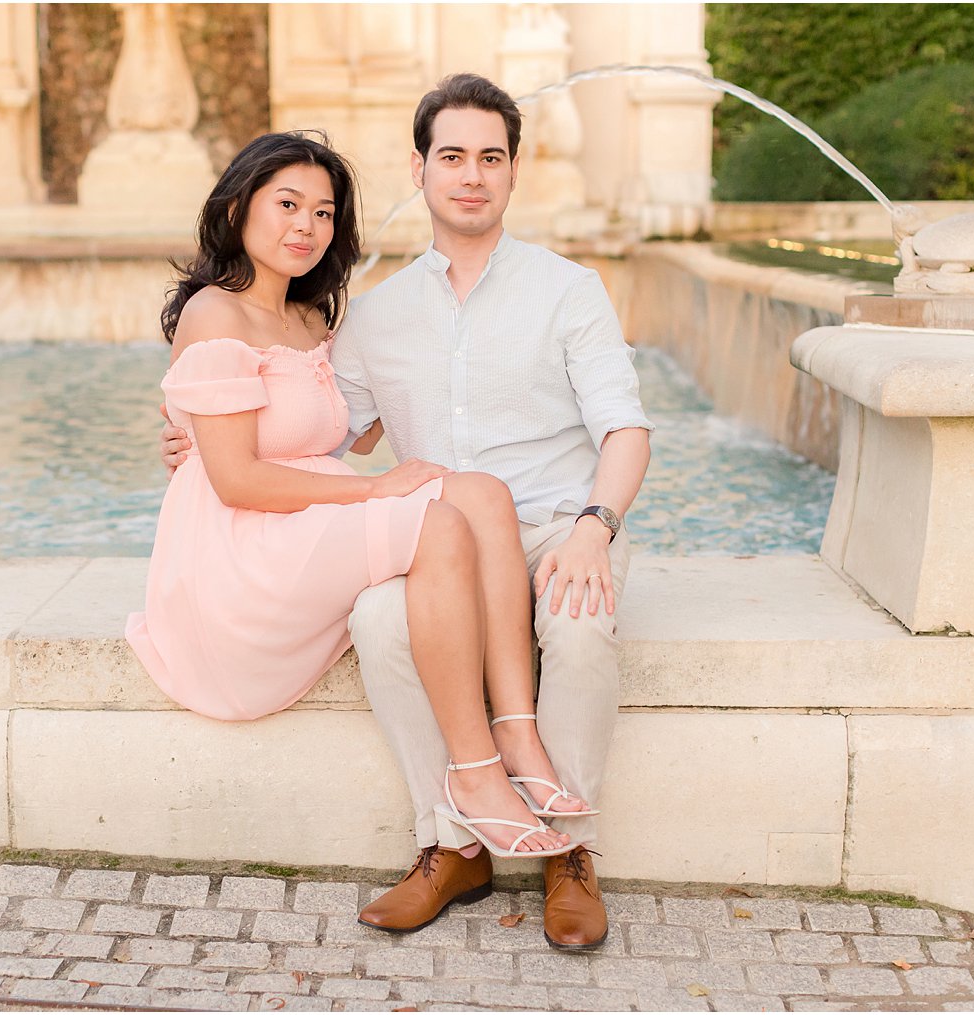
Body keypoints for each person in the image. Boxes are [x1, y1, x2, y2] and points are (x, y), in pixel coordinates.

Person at [162, 77, 653, 950]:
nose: (472, 175)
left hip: (557, 524)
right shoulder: (371, 315)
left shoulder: (567, 289)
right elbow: (318, 429)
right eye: (452, 157)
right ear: (420, 169)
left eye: (491, 158)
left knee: (577, 624)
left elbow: (626, 430)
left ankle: (566, 854)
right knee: (380, 617)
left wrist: (595, 527)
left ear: (513, 171)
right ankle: (452, 841)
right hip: (440, 534)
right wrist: (197, 435)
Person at [128, 130, 592, 860]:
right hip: (244, 545)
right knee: (439, 527)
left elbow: (364, 421)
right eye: (287, 204)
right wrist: (377, 492)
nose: (305, 226)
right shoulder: (215, 313)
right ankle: (474, 775)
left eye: (323, 212)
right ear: (239, 206)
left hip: (305, 514)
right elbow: (237, 477)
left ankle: (518, 733)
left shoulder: (313, 320)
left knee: (482, 494)